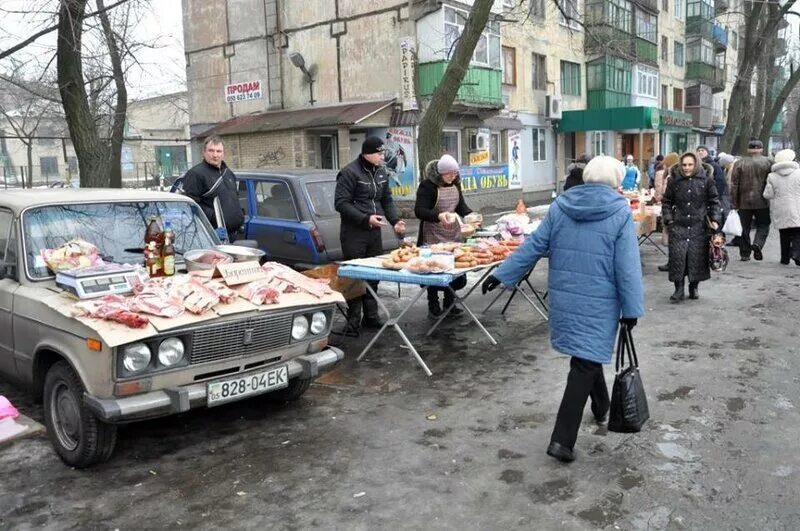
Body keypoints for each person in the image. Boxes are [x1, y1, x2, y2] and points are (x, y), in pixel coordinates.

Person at [481, 156, 644, 463]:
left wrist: (502, 273)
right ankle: (562, 440)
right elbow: (627, 267)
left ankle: (602, 406)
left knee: (586, 354)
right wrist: (631, 308)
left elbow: (533, 245)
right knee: (583, 361)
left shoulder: (561, 206)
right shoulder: (620, 211)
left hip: (566, 300)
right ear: (616, 180)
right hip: (600, 301)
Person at [335, 136, 406, 330]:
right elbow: (341, 203)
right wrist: (365, 218)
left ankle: (371, 316)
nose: (382, 156)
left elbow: (387, 200)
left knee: (374, 274)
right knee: (355, 277)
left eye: (383, 153)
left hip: (374, 232)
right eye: (379, 153)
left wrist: (395, 221)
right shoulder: (349, 172)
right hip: (354, 233)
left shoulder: (381, 171)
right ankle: (353, 319)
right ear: (367, 153)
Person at [414, 154, 473, 317]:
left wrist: (470, 216)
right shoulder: (427, 186)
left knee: (453, 270)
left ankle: (449, 302)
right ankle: (433, 303)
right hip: (432, 234)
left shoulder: (455, 184)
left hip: (452, 234)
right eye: (449, 174)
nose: (453, 177)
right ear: (440, 173)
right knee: (434, 270)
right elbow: (419, 210)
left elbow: (460, 205)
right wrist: (438, 216)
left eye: (455, 174)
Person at [662, 152, 722, 302]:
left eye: (690, 165)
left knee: (697, 258)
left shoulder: (706, 180)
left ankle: (693, 286)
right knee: (678, 257)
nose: (687, 168)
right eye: (684, 165)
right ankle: (679, 288)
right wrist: (669, 220)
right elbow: (667, 202)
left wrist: (715, 219)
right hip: (678, 225)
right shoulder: (674, 180)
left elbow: (714, 201)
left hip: (699, 225)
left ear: (696, 165)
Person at [182, 135, 245, 241]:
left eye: (219, 151)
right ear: (204, 152)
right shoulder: (195, 174)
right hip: (212, 237)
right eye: (211, 151)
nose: (215, 155)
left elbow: (234, 199)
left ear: (223, 153)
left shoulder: (228, 173)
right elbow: (190, 206)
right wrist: (210, 229)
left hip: (235, 235)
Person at [731, 140, 772, 261]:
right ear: (761, 149)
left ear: (748, 150)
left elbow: (734, 184)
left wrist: (734, 201)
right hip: (762, 201)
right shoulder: (768, 162)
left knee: (744, 227)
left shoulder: (739, 163)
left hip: (744, 201)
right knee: (763, 225)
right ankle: (758, 243)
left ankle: (745, 253)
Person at [763, 149, 800, 266]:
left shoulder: (772, 176)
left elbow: (768, 194)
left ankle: (785, 258)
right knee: (798, 232)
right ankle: (796, 253)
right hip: (797, 207)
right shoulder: (798, 173)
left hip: (780, 208)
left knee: (784, 234)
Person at [655, 152, 680, 272]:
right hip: (673, 209)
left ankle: (673, 262)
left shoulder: (670, 175)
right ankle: (673, 262)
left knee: (672, 238)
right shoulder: (671, 173)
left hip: (672, 209)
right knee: (672, 238)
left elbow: (664, 192)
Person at [698, 145, 730, 220]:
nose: (700, 152)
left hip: (712, 195)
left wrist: (716, 194)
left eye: (702, 150)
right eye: (698, 151)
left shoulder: (714, 166)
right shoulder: (696, 166)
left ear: (707, 152)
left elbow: (720, 181)